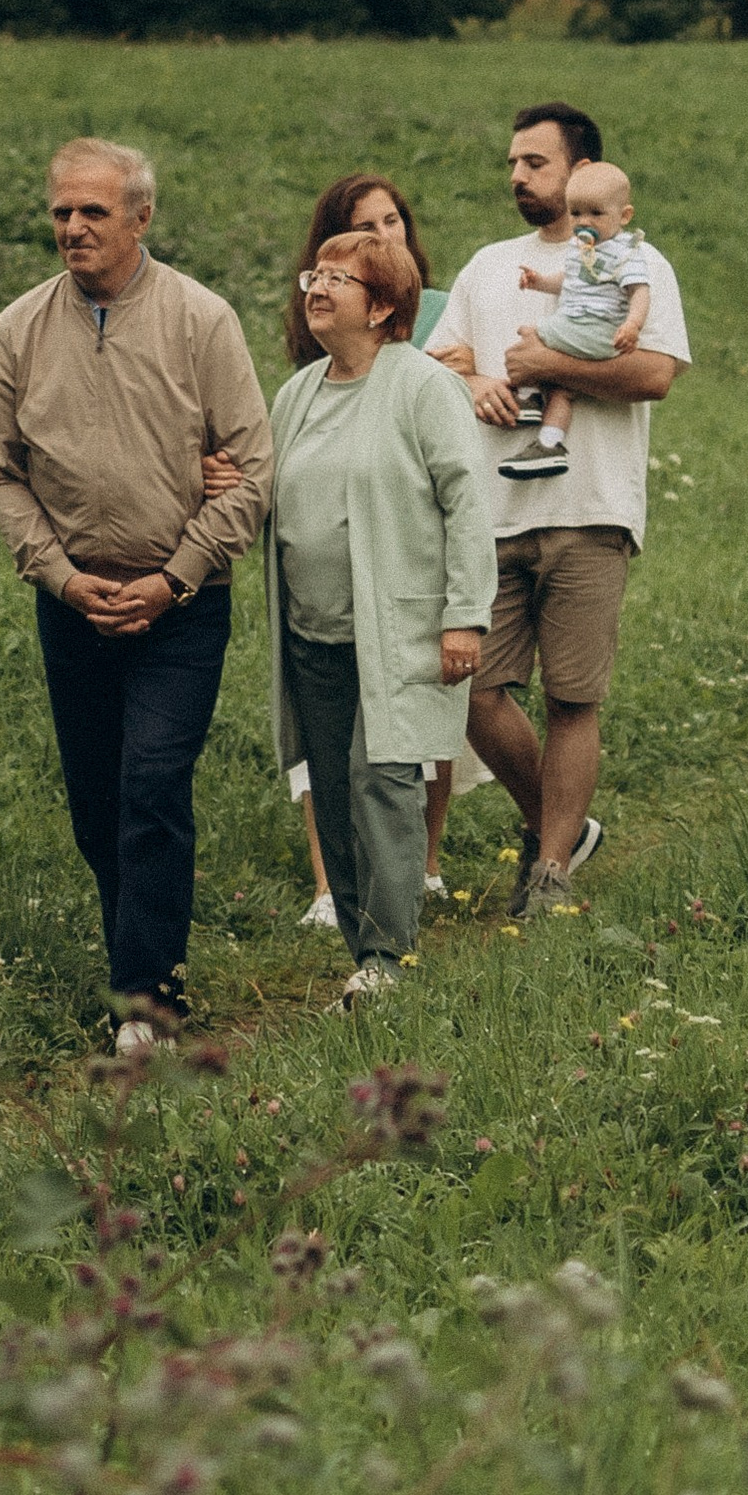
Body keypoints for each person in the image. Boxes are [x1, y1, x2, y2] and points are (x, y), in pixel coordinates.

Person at [0, 139, 272, 1048]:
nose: (72, 228)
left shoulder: (200, 320)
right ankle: (136, 961)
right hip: (73, 606)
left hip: (181, 604)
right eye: (61, 211)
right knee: (97, 803)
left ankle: (149, 1002)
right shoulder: (19, 328)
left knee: (153, 785)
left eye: (93, 212)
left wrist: (173, 577)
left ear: (141, 218)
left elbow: (254, 472)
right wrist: (61, 577)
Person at [429, 100, 690, 920]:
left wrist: (550, 364)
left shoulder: (637, 262)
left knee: (573, 697)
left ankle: (548, 872)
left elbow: (655, 375)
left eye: (533, 163)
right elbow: (444, 364)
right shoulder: (484, 266)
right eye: (511, 163)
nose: (515, 176)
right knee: (475, 691)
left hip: (590, 509)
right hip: (491, 513)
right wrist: (477, 382)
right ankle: (562, 827)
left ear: (581, 172)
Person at [263, 226, 494, 1001]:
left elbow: (467, 502)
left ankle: (389, 960)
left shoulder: (422, 385)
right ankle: (364, 947)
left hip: (397, 627)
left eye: (338, 278)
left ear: (383, 305)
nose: (317, 288)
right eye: (313, 276)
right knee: (330, 786)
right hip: (312, 629)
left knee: (383, 780)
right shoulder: (297, 393)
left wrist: (466, 615)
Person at [498, 159, 654, 481]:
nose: (585, 221)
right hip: (579, 328)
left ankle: (526, 396)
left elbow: (640, 292)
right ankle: (549, 444)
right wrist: (540, 281)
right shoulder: (581, 247)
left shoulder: (625, 252)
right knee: (562, 390)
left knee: (534, 334)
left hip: (597, 329)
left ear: (624, 216)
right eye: (576, 213)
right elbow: (568, 281)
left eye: (596, 213)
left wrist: (632, 325)